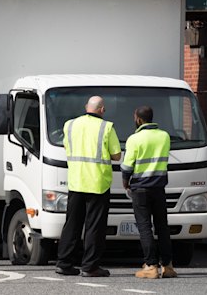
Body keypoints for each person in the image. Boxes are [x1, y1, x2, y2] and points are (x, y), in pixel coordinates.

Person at [55, 96, 122, 277]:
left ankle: (64, 263)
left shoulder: (69, 125)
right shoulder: (106, 127)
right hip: (97, 183)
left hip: (76, 181)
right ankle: (90, 266)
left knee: (72, 224)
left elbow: (66, 146)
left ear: (86, 107)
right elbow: (117, 156)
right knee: (94, 226)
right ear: (102, 110)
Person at [121, 106, 177, 279]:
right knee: (162, 226)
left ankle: (151, 266)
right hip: (159, 188)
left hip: (140, 188)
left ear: (138, 119)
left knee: (145, 226)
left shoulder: (134, 139)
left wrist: (125, 182)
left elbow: (127, 165)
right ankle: (167, 266)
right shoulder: (165, 136)